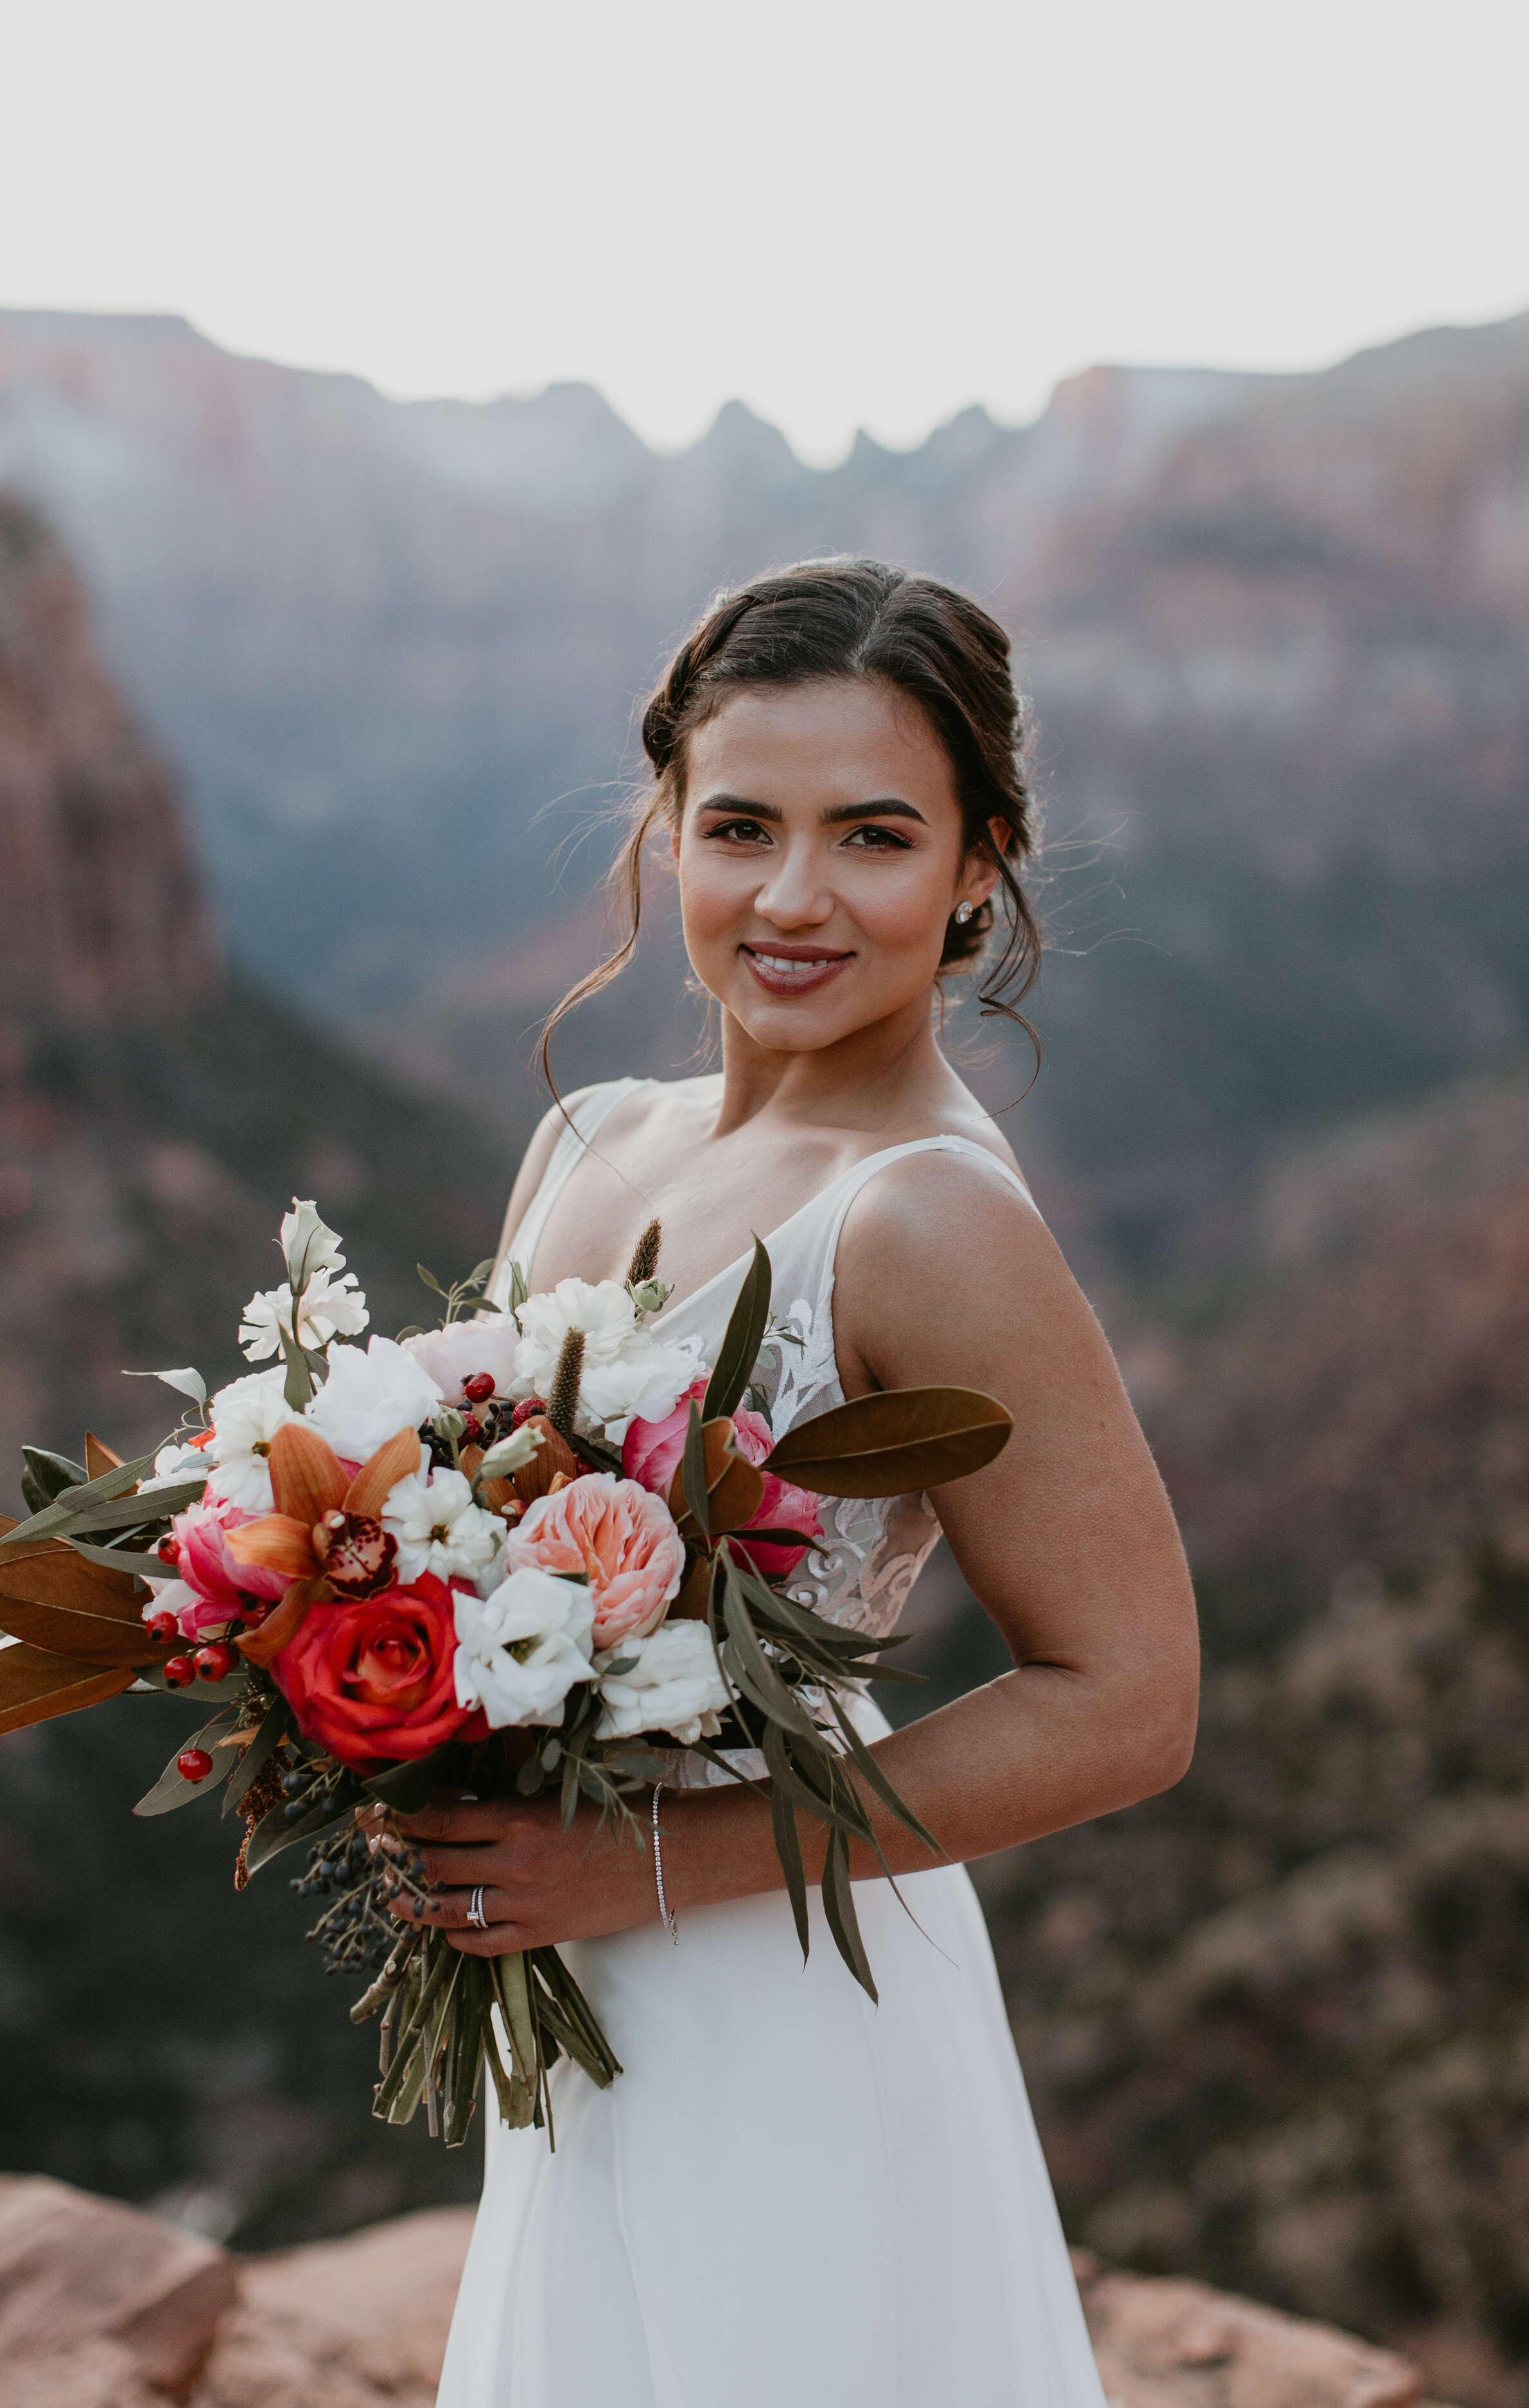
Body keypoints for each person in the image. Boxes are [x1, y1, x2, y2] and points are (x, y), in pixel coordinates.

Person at [403, 559, 1199, 2407]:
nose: (791, 898)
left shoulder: (922, 1218)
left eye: (873, 836)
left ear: (979, 864)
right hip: (580, 1973)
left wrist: (648, 1866)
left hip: (794, 1991)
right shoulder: (584, 1137)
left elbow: (1133, 1701)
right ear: (664, 829)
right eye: (740, 825)